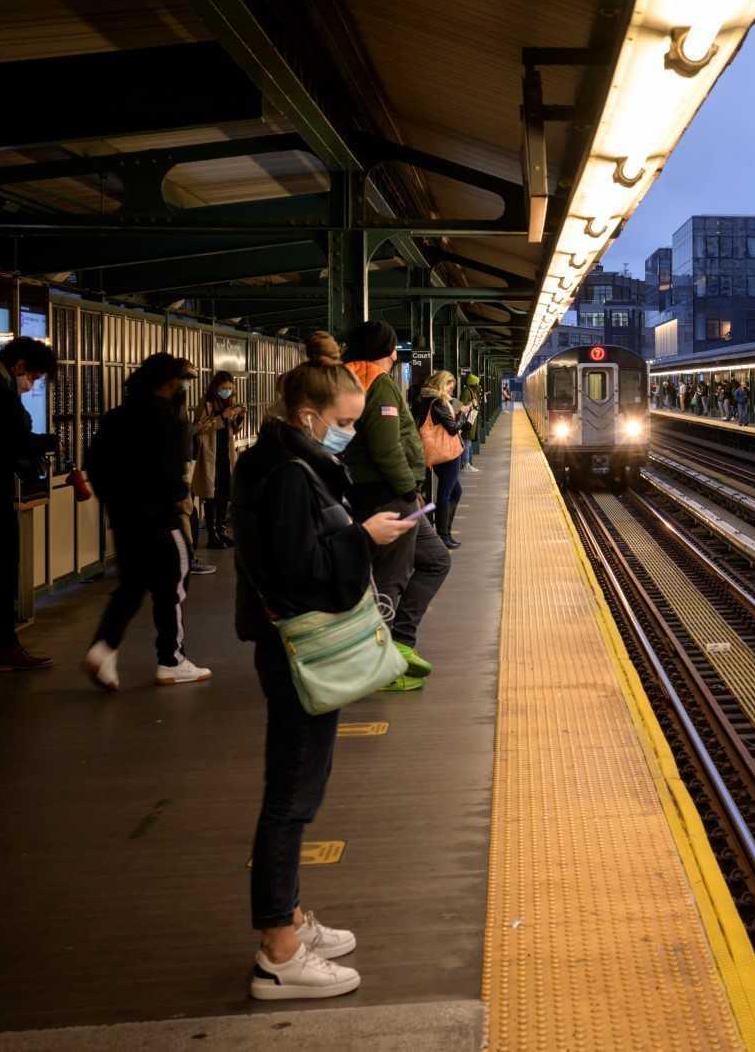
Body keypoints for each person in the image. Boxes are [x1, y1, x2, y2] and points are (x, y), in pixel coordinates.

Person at [236, 335, 418, 1001]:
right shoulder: (289, 473)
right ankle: (279, 953)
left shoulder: (282, 462)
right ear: (308, 414)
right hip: (296, 651)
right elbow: (301, 569)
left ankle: (287, 919)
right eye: (342, 422)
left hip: (288, 647)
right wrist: (360, 537)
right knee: (289, 798)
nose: (348, 432)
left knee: (296, 790)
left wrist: (351, 533)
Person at [84, 353, 212, 690]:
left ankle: (104, 648)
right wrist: (177, 496)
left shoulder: (115, 418)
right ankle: (171, 659)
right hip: (162, 521)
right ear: (169, 382)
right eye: (182, 380)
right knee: (174, 586)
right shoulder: (167, 420)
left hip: (125, 519)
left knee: (132, 585)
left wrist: (116, 504)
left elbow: (95, 465)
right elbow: (172, 472)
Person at [342, 321, 446, 690]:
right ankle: (381, 667)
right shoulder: (379, 382)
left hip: (377, 491)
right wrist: (408, 489)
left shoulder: (351, 376)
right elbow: (386, 447)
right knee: (391, 577)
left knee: (435, 560)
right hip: (389, 494)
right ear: (387, 350)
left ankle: (400, 643)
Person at [0, 337, 59, 672]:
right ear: (19, 366)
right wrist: (48, 442)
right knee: (3, 570)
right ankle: (4, 647)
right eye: (32, 377)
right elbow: (10, 440)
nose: (29, 385)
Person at [413, 369, 473, 550]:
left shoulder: (425, 400)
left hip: (436, 454)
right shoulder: (438, 402)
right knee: (446, 494)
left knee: (455, 492)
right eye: (449, 386)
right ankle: (443, 535)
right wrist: (463, 413)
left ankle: (444, 532)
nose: (451, 391)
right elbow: (453, 428)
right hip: (447, 454)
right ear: (441, 384)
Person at [192, 371, 246, 549]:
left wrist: (238, 417)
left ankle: (222, 530)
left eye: (230, 388)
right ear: (216, 387)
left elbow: (233, 430)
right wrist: (222, 416)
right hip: (210, 453)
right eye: (224, 388)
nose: (227, 391)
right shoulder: (206, 403)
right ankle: (212, 534)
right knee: (211, 494)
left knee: (224, 492)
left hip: (225, 453)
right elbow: (199, 428)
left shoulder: (229, 402)